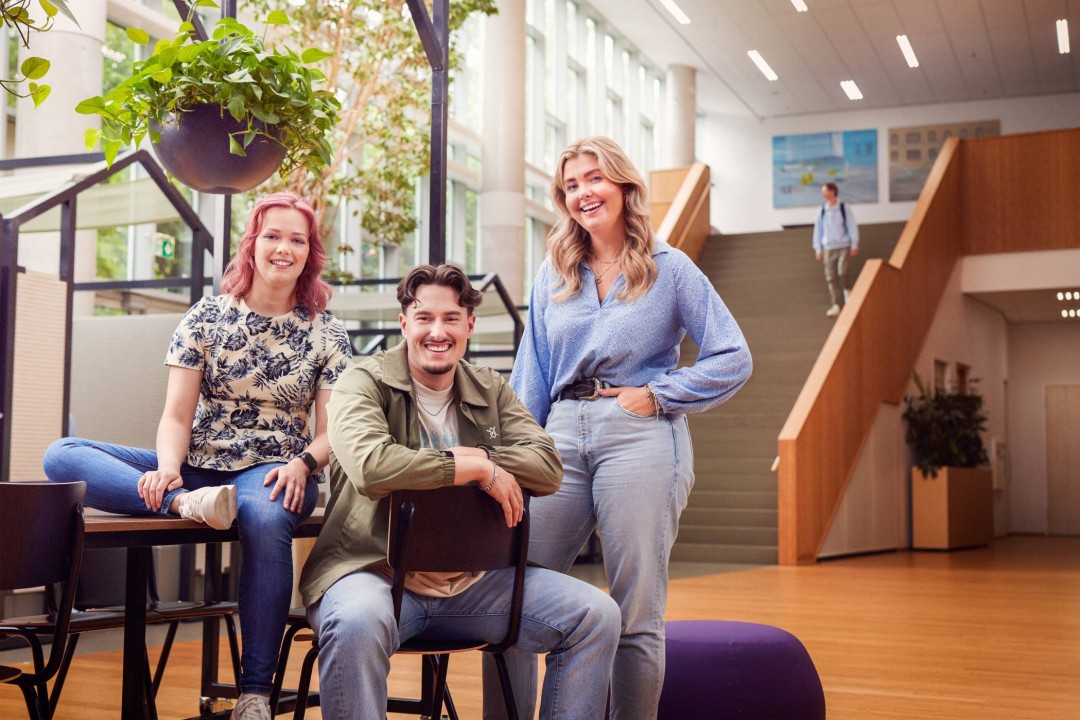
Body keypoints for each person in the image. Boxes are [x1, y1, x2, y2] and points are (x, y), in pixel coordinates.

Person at [43, 192, 353, 720]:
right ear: (252, 245)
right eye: (273, 236)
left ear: (309, 253)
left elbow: (332, 431)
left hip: (275, 469)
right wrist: (167, 472)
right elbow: (176, 416)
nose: (284, 248)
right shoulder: (206, 317)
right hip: (196, 468)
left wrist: (304, 464)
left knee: (261, 515)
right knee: (62, 455)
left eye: (297, 239)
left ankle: (255, 692)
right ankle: (185, 503)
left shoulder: (329, 332)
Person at [494, 136, 753, 720]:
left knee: (636, 610)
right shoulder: (553, 271)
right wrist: (511, 457)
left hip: (638, 435)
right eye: (572, 185)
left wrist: (659, 394)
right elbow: (530, 371)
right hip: (558, 432)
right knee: (509, 598)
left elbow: (732, 356)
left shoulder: (670, 267)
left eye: (594, 178)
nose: (583, 192)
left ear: (623, 185)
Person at [299, 264, 621, 720]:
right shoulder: (362, 381)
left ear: (469, 326)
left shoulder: (490, 388)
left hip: (475, 587)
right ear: (404, 322)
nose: (437, 331)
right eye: (424, 317)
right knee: (354, 624)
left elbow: (548, 467)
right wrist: (466, 467)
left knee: (595, 616)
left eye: (451, 318)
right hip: (377, 576)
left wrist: (480, 459)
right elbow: (372, 467)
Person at [812, 181, 859, 317]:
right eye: (822, 192)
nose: (824, 194)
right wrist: (818, 248)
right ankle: (837, 305)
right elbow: (818, 231)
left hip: (844, 245)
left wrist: (854, 244)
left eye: (826, 191)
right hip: (828, 248)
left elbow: (851, 226)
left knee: (842, 271)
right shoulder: (821, 211)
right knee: (830, 277)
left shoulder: (844, 208)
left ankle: (847, 290)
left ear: (833, 191)